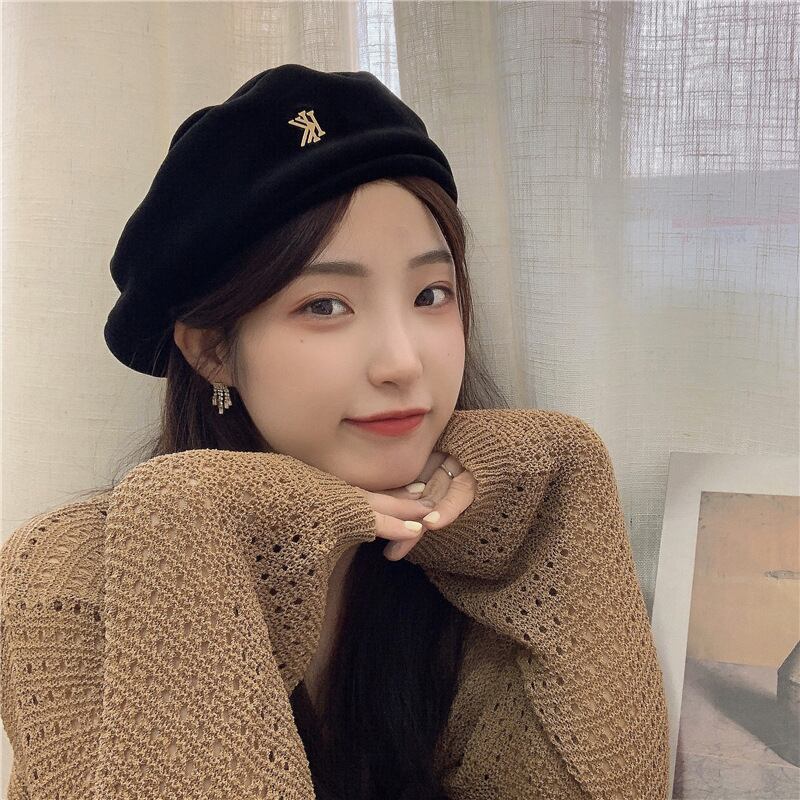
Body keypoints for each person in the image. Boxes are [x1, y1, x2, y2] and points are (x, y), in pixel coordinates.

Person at [0, 64, 671, 800]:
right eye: (325, 306)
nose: (402, 362)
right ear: (213, 350)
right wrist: (189, 523)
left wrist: (567, 476)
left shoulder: (473, 566)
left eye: (431, 294)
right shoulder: (68, 581)